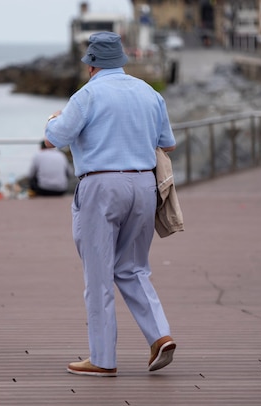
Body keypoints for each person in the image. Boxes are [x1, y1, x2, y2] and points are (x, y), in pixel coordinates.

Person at [44, 31, 177, 377]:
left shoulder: (87, 95)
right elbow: (167, 143)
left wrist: (53, 119)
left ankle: (103, 359)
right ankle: (160, 335)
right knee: (133, 267)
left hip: (101, 185)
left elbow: (55, 138)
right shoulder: (149, 93)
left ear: (90, 65)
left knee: (99, 273)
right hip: (143, 184)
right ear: (121, 61)